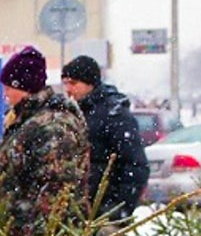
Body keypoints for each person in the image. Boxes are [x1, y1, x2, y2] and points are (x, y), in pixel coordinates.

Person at [0, 46, 89, 236]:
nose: (5, 94)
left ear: (24, 89)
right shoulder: (26, 122)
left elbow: (57, 187)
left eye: (9, 88)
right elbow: (11, 172)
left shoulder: (53, 126)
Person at [59, 54, 149, 224]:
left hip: (102, 213)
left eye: (73, 83)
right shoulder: (71, 113)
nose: (68, 89)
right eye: (65, 84)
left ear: (90, 83)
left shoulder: (114, 116)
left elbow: (135, 166)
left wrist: (117, 213)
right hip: (74, 214)